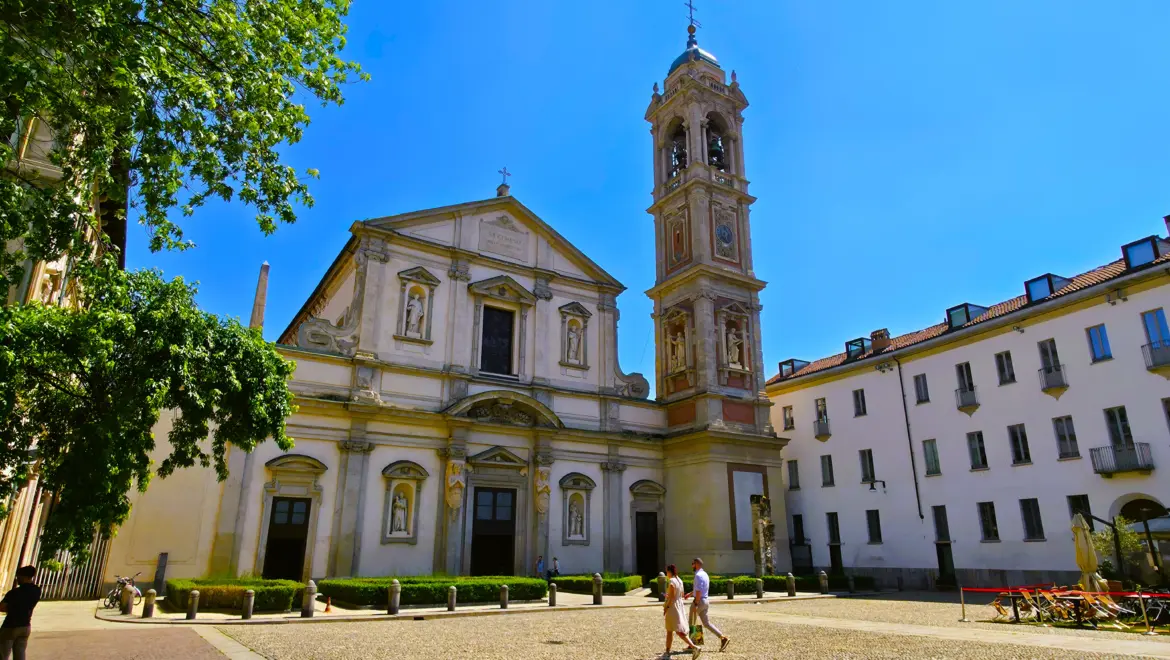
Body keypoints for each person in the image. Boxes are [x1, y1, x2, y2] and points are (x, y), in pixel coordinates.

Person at [684, 557, 729, 652]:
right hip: (705, 601)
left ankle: (694, 645)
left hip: (699, 601)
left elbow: (699, 591)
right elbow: (699, 589)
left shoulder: (698, 575)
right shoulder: (705, 574)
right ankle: (722, 637)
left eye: (693, 563)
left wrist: (696, 602)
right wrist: (690, 594)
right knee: (706, 623)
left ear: (696, 564)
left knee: (692, 622)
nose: (692, 565)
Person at [0, 566, 40, 660]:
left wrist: (9, 607)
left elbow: (2, 607)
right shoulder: (37, 590)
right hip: (25, 625)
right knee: (20, 654)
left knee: (2, 654)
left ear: (23, 576)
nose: (17, 578)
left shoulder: (14, 592)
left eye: (18, 576)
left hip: (11, 626)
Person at [663, 564, 701, 659]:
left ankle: (694, 647)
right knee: (672, 629)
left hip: (673, 607)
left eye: (667, 572)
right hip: (679, 606)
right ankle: (667, 651)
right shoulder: (680, 580)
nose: (666, 574)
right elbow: (681, 594)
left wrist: (666, 607)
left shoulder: (672, 581)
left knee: (674, 630)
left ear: (669, 572)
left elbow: (671, 597)